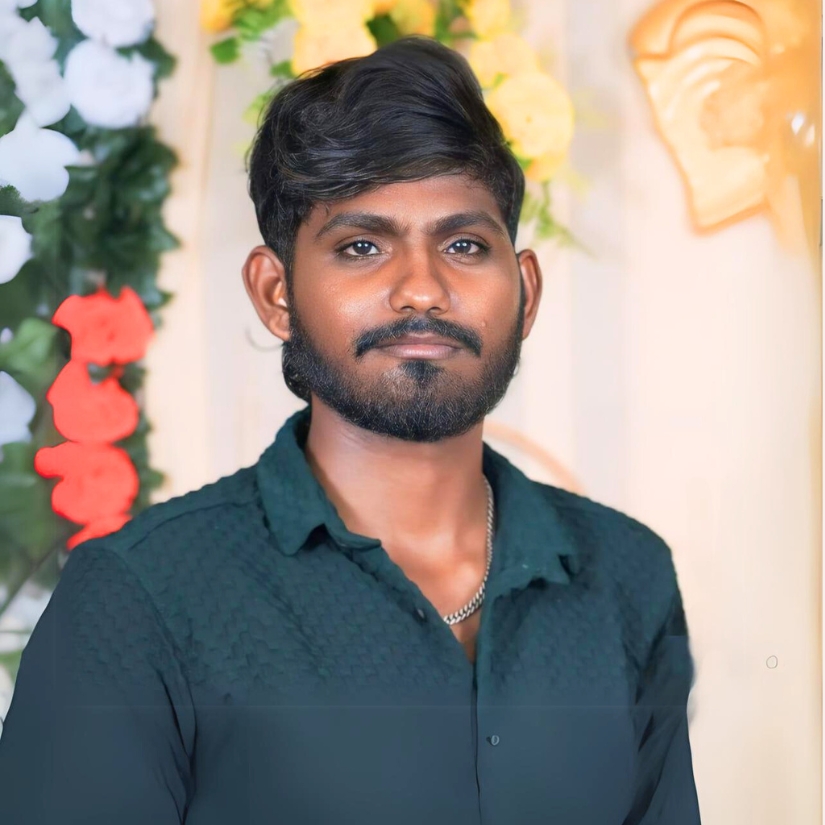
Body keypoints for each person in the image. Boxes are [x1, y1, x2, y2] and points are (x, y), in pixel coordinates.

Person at [0, 35, 701, 825]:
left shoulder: (625, 575)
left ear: (525, 291)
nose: (421, 290)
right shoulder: (140, 598)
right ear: (275, 292)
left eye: (463, 244)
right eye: (361, 246)